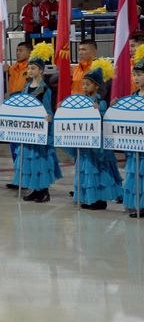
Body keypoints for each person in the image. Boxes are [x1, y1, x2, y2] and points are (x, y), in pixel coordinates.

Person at [65, 59, 122, 210]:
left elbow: (103, 118)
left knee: (96, 168)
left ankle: (100, 200)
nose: (84, 87)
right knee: (86, 168)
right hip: (84, 141)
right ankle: (89, 197)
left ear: (96, 86)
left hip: (96, 143)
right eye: (83, 84)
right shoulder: (81, 101)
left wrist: (98, 111)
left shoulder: (100, 102)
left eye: (88, 84)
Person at [12, 42, 62, 203]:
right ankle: (34, 189)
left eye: (33, 68)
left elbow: (47, 108)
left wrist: (48, 117)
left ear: (41, 70)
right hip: (28, 129)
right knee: (29, 160)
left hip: (40, 129)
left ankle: (44, 191)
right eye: (29, 68)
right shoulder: (26, 87)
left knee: (39, 160)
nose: (30, 70)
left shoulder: (45, 89)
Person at [124, 46, 144, 217]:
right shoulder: (133, 96)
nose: (136, 78)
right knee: (136, 174)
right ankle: (139, 204)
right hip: (135, 144)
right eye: (134, 74)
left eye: (139, 74)